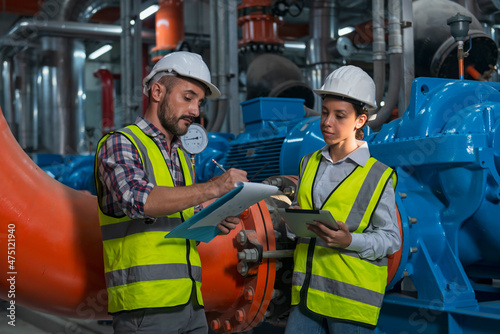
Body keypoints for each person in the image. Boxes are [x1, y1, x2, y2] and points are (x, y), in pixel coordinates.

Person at [95, 51, 248, 334]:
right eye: (187, 98)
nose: (195, 111)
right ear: (157, 92)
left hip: (191, 302)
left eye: (199, 102)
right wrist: (214, 187)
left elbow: (182, 224)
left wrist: (213, 222)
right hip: (146, 309)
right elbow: (139, 200)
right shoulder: (121, 143)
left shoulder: (179, 155)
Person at [284, 66, 401, 334]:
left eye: (339, 116)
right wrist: (293, 221)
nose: (327, 122)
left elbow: (390, 239)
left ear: (360, 121)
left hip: (351, 301)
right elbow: (300, 224)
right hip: (307, 295)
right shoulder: (308, 163)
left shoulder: (378, 175)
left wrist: (350, 241)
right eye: (325, 113)